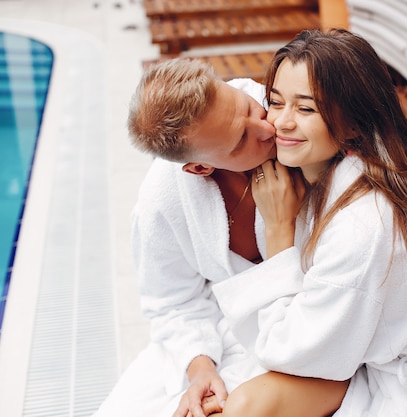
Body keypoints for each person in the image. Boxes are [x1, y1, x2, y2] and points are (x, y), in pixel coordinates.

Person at [212, 29, 407, 417]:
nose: (282, 122)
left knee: (244, 407)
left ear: (354, 121)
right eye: (275, 102)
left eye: (306, 109)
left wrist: (278, 231)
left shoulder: (362, 224)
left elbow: (289, 351)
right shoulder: (369, 168)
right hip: (377, 362)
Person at [92, 58, 348, 417]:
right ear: (199, 167)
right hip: (231, 329)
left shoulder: (293, 119)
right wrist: (201, 369)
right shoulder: (163, 201)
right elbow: (173, 303)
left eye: (246, 107)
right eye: (241, 141)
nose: (265, 129)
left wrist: (281, 227)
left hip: (319, 326)